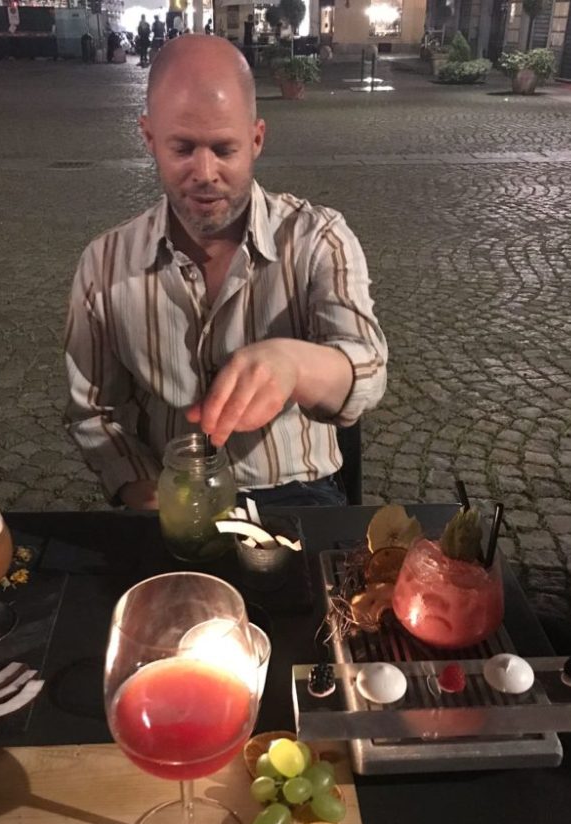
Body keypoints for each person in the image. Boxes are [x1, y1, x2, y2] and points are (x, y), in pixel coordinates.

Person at [64, 35, 387, 511]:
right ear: (149, 137)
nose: (205, 172)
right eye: (182, 148)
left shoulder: (319, 238)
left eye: (224, 149)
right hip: (170, 492)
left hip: (296, 492)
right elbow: (94, 411)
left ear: (256, 139)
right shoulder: (104, 262)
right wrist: (143, 492)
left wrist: (293, 365)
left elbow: (368, 366)